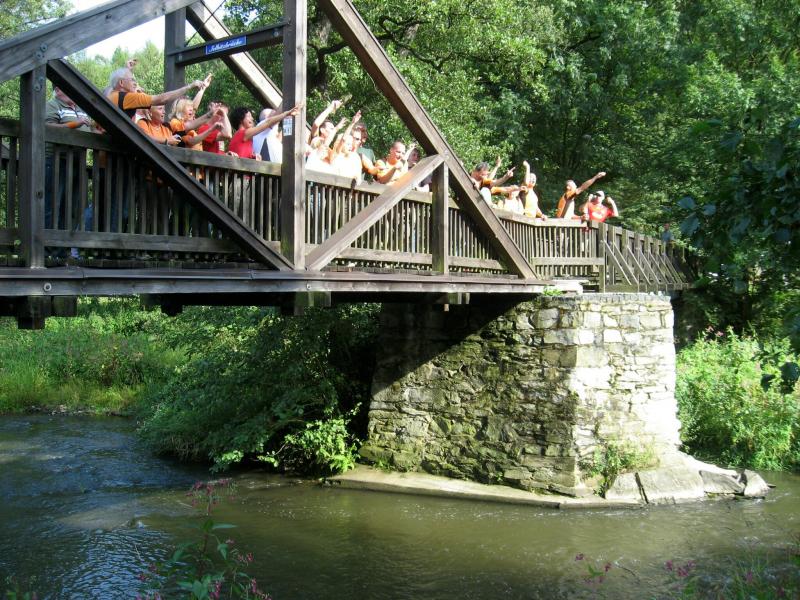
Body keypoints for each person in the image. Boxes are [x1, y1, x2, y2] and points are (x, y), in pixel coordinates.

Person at [44, 87, 93, 232]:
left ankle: (63, 242)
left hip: (78, 161)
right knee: (53, 203)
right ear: (58, 90)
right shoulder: (53, 105)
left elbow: (89, 128)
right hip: (56, 160)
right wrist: (73, 124)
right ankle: (48, 241)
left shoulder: (80, 108)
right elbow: (47, 128)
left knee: (71, 204)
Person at [106, 66, 208, 120]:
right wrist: (189, 86)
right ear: (121, 83)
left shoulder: (110, 95)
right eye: (132, 80)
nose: (135, 83)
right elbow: (162, 99)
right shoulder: (128, 97)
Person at [228, 102, 303, 160]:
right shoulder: (243, 133)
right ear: (241, 119)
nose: (252, 119)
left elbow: (241, 154)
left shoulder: (243, 136)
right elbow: (268, 122)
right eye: (249, 116)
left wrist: (253, 156)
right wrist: (286, 113)